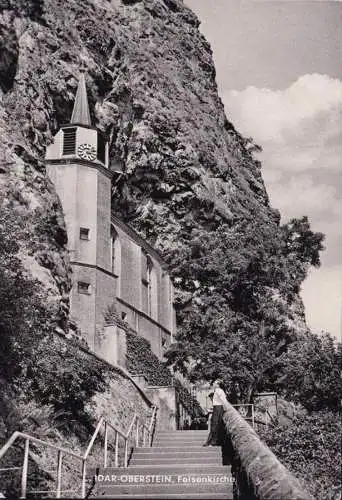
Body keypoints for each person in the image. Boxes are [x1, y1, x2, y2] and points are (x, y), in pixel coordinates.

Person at [203, 379, 228, 446]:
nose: (213, 384)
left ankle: (212, 442)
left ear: (218, 384)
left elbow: (223, 400)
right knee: (216, 424)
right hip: (217, 408)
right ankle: (212, 441)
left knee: (215, 424)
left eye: (215, 383)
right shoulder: (218, 390)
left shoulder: (218, 390)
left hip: (218, 408)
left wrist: (226, 407)